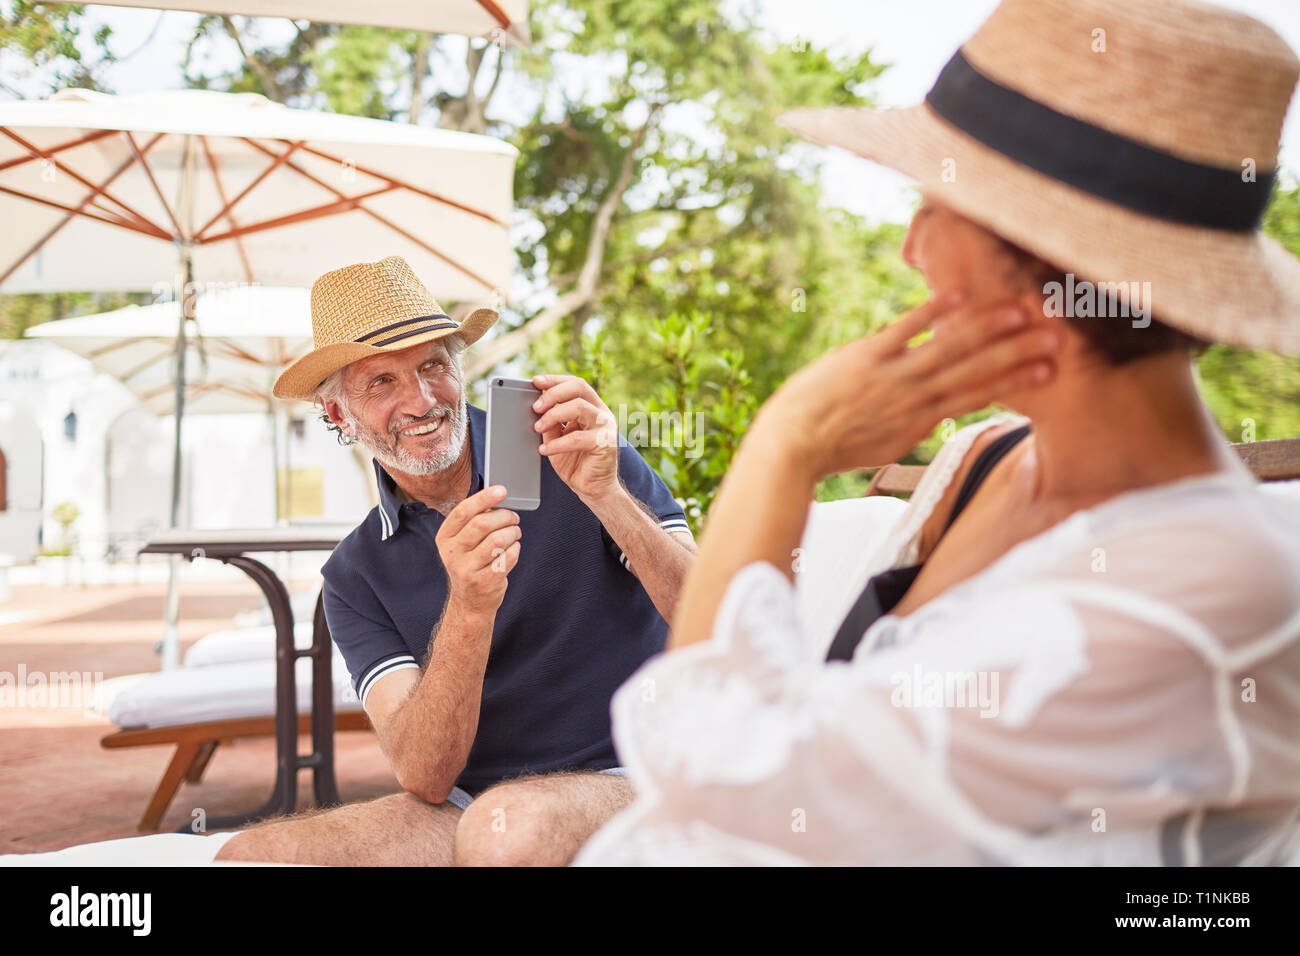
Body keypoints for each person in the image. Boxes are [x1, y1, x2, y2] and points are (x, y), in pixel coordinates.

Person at [574, 0, 1300, 865]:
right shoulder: (985, 460)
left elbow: (719, 768)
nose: (911, 247)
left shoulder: (1203, 587)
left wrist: (787, 442)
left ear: (1042, 269)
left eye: (937, 207)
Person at [216, 255, 696, 865]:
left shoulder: (578, 451)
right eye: (381, 382)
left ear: (459, 369)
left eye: (432, 366)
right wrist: (470, 607)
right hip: (472, 806)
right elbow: (425, 777)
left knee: (506, 830)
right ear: (339, 414)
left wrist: (608, 497)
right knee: (249, 857)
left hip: (641, 770)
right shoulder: (352, 576)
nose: (420, 400)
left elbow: (709, 615)